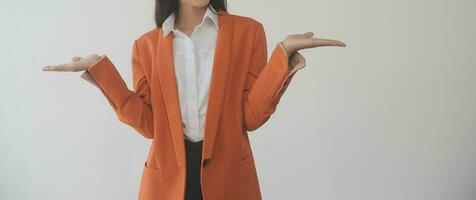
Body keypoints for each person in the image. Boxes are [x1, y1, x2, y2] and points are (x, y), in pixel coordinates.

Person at [42, 0, 346, 199]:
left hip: (230, 179)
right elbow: (150, 125)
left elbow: (250, 116)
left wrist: (283, 55)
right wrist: (101, 70)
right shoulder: (146, 46)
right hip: (166, 182)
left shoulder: (248, 32)